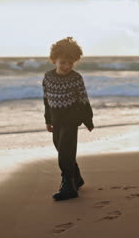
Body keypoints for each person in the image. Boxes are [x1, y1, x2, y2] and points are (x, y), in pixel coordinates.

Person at [42, 37, 94, 201]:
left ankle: (68, 186)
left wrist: (88, 119)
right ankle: (76, 178)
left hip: (72, 120)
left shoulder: (76, 78)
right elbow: (46, 100)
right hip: (56, 120)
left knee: (65, 151)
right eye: (63, 62)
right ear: (54, 60)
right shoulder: (48, 77)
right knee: (60, 148)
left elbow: (84, 100)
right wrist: (47, 120)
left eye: (70, 63)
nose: (66, 66)